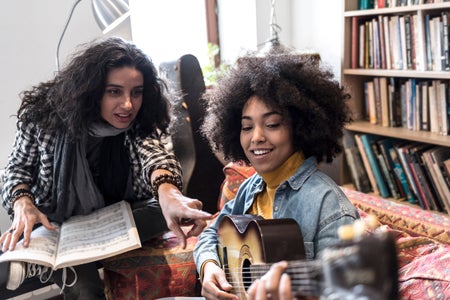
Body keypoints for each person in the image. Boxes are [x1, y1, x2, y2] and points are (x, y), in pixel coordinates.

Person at [0, 37, 211, 299]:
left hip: (110, 217)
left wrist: (170, 193)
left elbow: (154, 156)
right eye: (114, 91)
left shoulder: (137, 120)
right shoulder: (43, 116)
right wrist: (22, 202)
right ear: (91, 90)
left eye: (136, 92)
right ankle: (42, 254)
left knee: (161, 209)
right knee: (86, 290)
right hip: (56, 222)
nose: (128, 105)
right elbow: (16, 168)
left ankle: (39, 259)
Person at [193, 50, 360, 300]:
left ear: (301, 128)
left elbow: (345, 290)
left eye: (272, 125)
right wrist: (209, 267)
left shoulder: (330, 207)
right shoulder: (251, 188)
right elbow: (211, 232)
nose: (257, 137)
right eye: (247, 127)